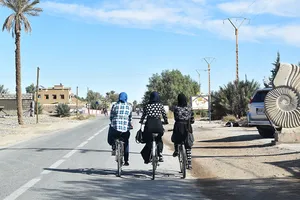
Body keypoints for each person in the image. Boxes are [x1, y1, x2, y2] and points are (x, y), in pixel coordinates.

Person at [139, 91, 168, 164]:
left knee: (148, 140)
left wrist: (141, 121)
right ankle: (160, 154)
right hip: (158, 126)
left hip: (149, 126)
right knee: (159, 139)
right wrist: (166, 121)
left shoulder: (147, 106)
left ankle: (148, 157)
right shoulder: (160, 105)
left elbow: (143, 116)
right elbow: (164, 115)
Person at [108, 92, 133, 166]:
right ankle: (126, 160)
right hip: (125, 130)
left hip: (115, 128)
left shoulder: (115, 105)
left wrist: (113, 121)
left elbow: (111, 116)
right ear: (126, 98)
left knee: (111, 134)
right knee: (126, 142)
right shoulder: (129, 106)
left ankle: (113, 146)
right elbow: (130, 117)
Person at [171, 93, 195, 169]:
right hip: (187, 126)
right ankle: (190, 163)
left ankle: (176, 150)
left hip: (178, 125)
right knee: (188, 145)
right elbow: (192, 119)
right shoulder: (189, 108)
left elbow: (175, 118)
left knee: (176, 138)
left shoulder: (176, 108)